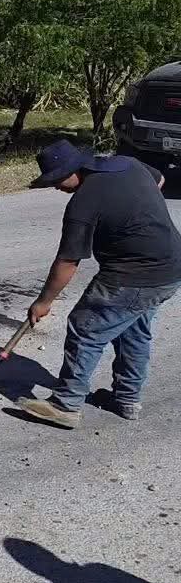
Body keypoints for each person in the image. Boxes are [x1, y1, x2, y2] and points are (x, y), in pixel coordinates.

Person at [19, 139, 181, 428]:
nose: (56, 187)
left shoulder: (83, 203)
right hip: (170, 268)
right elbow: (160, 179)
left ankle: (66, 404)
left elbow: (67, 262)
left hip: (133, 276)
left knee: (86, 327)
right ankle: (127, 399)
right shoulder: (128, 164)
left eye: (57, 180)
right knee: (133, 331)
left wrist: (43, 302)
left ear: (75, 169)